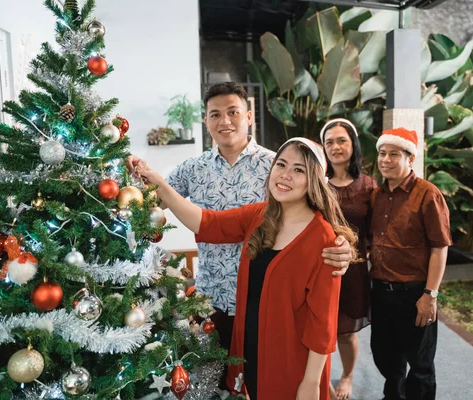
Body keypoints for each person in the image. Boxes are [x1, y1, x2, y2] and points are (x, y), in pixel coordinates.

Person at [126, 82, 353, 356]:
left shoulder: (278, 165)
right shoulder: (192, 169)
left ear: (248, 117)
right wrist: (133, 176)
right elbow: (154, 202)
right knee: (213, 384)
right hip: (210, 300)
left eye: (233, 112)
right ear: (206, 120)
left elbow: (316, 214)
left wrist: (341, 245)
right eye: (215, 114)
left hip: (265, 301)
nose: (225, 121)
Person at [136, 137, 358, 400]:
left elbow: (322, 324)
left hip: (291, 362)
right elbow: (206, 222)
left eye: (299, 170)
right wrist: (159, 183)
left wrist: (311, 381)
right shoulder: (261, 216)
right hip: (250, 349)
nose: (285, 175)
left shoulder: (324, 240)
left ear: (315, 180)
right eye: (281, 164)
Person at [369, 127, 452, 400]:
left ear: (410, 158)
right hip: (381, 292)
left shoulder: (428, 194)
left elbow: (440, 248)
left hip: (415, 294)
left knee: (420, 365)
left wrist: (431, 295)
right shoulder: (377, 195)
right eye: (382, 153)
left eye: (394, 154)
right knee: (385, 356)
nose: (386, 160)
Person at [320, 118, 376, 400]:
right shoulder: (317, 183)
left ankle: (347, 375)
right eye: (329, 141)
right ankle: (322, 382)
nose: (335, 146)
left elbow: (377, 231)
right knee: (319, 330)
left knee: (344, 332)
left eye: (341, 140)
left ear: (353, 144)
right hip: (321, 267)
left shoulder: (368, 186)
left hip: (354, 271)